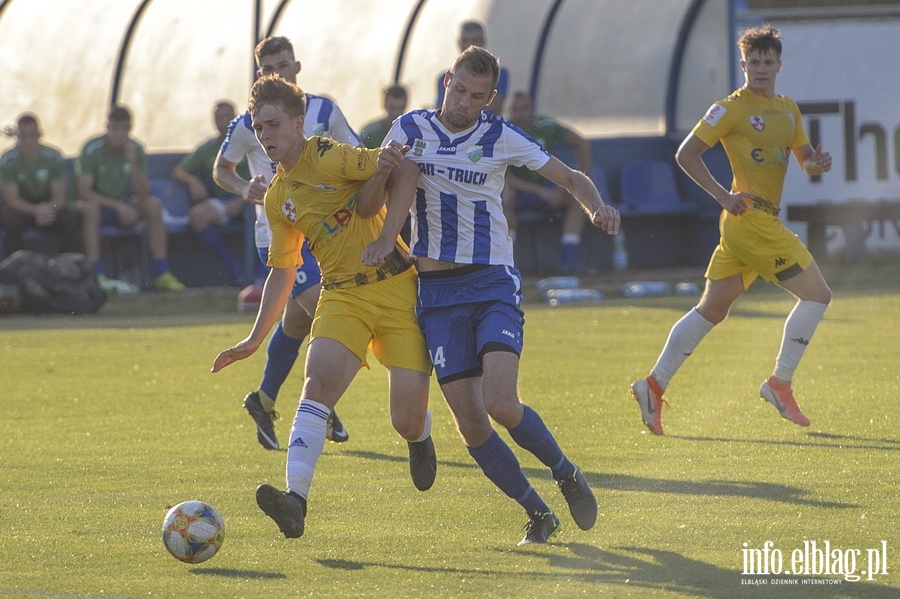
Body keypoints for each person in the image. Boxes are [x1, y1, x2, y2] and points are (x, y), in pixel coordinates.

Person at [386, 46, 620, 545]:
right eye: (459, 91)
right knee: (470, 424)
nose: (464, 104)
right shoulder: (408, 130)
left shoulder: (500, 135)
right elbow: (379, 185)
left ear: (490, 98)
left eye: (476, 97)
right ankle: (538, 514)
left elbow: (571, 176)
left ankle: (565, 472)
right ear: (447, 80)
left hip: (492, 281)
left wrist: (597, 207)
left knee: (501, 403)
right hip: (436, 293)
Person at [212, 74, 436, 539]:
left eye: (274, 125)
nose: (266, 136)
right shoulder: (277, 198)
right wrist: (253, 340)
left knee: (405, 419)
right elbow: (283, 270)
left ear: (298, 124)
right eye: (259, 128)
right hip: (341, 295)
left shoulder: (331, 155)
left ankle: (419, 436)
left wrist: (384, 233)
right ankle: (295, 501)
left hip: (395, 288)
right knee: (316, 387)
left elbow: (399, 168)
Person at [629, 24, 833, 436]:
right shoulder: (730, 108)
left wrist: (817, 164)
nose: (760, 69)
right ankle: (779, 383)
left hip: (756, 222)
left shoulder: (789, 109)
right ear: (742, 65)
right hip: (750, 219)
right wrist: (723, 196)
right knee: (818, 296)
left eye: (767, 62)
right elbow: (686, 154)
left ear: (778, 64)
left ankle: (652, 385)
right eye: (752, 62)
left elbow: (805, 160)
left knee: (712, 310)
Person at [214, 36, 359, 449]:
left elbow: (353, 152)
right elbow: (221, 169)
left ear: (297, 66)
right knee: (326, 311)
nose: (275, 72)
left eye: (282, 64)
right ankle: (322, 402)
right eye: (266, 68)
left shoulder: (324, 110)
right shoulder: (247, 123)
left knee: (296, 322)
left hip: (325, 232)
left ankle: (262, 400)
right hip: (277, 232)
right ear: (259, 74)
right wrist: (244, 189)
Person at [77, 104, 185, 293]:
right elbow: (84, 192)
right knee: (91, 209)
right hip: (99, 207)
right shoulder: (92, 149)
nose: (119, 134)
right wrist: (118, 206)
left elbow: (143, 193)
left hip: (123, 206)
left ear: (130, 129)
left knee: (153, 206)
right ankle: (97, 273)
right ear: (107, 127)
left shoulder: (136, 150)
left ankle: (162, 273)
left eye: (124, 129)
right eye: (115, 128)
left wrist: (133, 163)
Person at [504, 91, 594, 272]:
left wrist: (583, 178)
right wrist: (540, 191)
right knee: (504, 199)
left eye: (525, 108)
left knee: (578, 200)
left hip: (547, 190)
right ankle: (508, 262)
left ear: (533, 109)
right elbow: (505, 177)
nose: (521, 114)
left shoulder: (545, 126)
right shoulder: (504, 132)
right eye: (515, 110)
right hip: (521, 192)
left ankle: (569, 259)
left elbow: (582, 143)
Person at [171, 100, 250, 286]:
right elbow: (178, 171)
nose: (223, 122)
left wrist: (243, 199)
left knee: (261, 214)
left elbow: (269, 174)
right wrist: (192, 181)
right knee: (197, 216)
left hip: (255, 200)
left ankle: (261, 274)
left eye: (227, 117)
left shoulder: (252, 141)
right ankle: (236, 271)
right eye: (218, 118)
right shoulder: (210, 148)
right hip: (224, 201)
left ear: (236, 119)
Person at [0, 113, 82, 258]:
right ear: (18, 137)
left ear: (39, 134)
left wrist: (48, 209)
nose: (29, 142)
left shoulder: (53, 157)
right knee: (10, 219)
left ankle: (69, 265)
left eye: (33, 135)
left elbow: (60, 196)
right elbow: (11, 199)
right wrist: (35, 210)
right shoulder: (8, 161)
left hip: (49, 208)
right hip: (23, 210)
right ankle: (15, 268)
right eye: (24, 136)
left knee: (68, 218)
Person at [435, 20, 509, 115]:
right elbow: (442, 111)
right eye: (465, 40)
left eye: (474, 40)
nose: (469, 45)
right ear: (459, 43)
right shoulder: (444, 77)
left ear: (483, 42)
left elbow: (493, 108)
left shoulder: (499, 74)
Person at [359, 83, 409, 150]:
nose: (396, 113)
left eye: (400, 108)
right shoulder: (369, 134)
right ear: (384, 104)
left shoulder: (415, 133)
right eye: (392, 107)